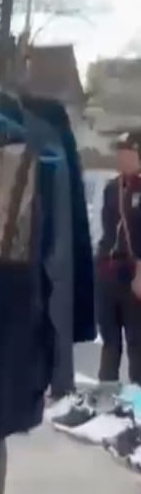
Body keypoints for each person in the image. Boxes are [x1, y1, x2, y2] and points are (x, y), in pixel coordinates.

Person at [96, 130, 141, 387]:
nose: (120, 156)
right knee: (110, 343)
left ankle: (137, 410)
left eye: (127, 151)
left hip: (133, 274)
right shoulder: (112, 188)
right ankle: (107, 406)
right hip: (108, 274)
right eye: (119, 150)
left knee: (137, 346)